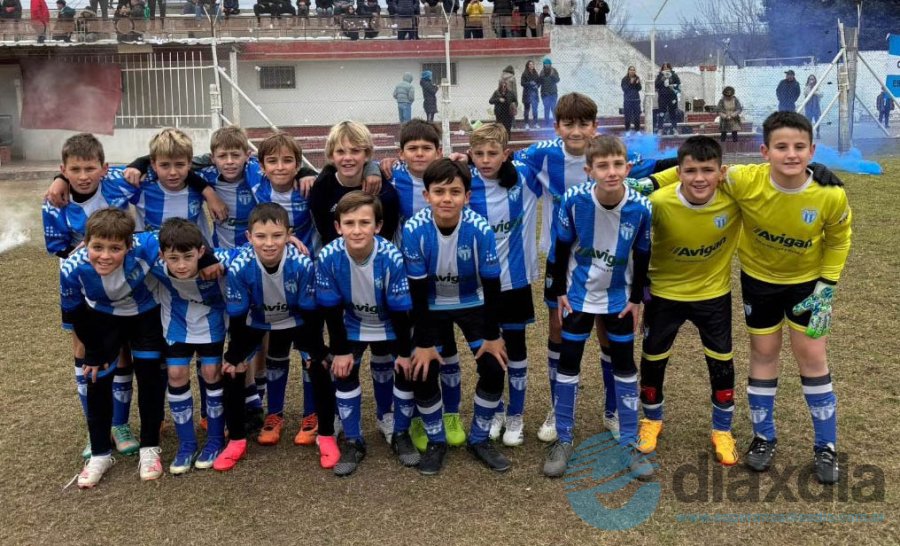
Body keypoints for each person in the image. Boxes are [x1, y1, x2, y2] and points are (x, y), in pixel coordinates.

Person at [645, 111, 851, 485]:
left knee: (812, 356)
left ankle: (826, 446)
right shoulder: (743, 180)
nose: (791, 154)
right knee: (764, 353)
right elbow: (697, 172)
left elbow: (839, 240)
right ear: (764, 152)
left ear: (812, 151)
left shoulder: (830, 194)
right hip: (759, 283)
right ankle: (763, 438)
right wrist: (648, 181)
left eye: (800, 147)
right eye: (781, 147)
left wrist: (827, 287)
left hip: (808, 286)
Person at [61, 209, 217, 487]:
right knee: (97, 378)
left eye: (115, 248)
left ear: (129, 245)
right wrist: (94, 352)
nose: (105, 256)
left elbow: (184, 235)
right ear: (85, 243)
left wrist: (208, 259)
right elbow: (74, 313)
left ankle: (149, 448)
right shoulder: (71, 268)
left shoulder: (146, 244)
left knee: (150, 379)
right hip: (103, 317)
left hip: (145, 315)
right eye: (97, 247)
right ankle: (99, 454)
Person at [542, 135, 652, 479]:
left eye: (617, 164)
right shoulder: (574, 201)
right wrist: (559, 291)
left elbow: (643, 254)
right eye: (602, 166)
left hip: (618, 298)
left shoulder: (640, 207)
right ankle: (563, 439)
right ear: (589, 171)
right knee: (568, 363)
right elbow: (560, 249)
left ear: (627, 167)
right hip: (577, 296)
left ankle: (630, 442)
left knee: (625, 366)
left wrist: (637, 299)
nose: (611, 172)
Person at [634, 136, 741, 470]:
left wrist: (815, 169)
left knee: (721, 362)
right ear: (678, 172)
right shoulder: (658, 202)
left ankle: (722, 430)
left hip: (713, 294)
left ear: (721, 172)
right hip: (664, 294)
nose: (699, 178)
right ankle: (651, 420)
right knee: (653, 358)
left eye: (708, 170)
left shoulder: (735, 199)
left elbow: (774, 179)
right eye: (691, 170)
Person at [401, 158, 510, 475]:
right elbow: (417, 293)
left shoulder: (479, 229)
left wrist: (492, 336)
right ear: (427, 196)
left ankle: (479, 439)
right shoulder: (414, 229)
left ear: (467, 196)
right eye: (439, 192)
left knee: (494, 366)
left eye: (455, 191)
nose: (446, 198)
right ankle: (436, 441)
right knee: (423, 369)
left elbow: (492, 286)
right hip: (430, 305)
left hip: (471, 301)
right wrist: (423, 343)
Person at [42, 134, 137, 461]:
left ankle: (120, 425)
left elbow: (150, 168)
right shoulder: (54, 202)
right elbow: (58, 248)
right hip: (81, 283)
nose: (83, 176)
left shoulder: (116, 183)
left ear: (104, 168)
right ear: (63, 170)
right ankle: (95, 425)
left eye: (90, 168)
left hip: (122, 281)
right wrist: (88, 254)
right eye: (75, 170)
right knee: (83, 348)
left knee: (121, 349)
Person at [317, 191, 416, 475]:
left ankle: (399, 432)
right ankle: (354, 440)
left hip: (390, 323)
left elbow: (400, 312)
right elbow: (331, 310)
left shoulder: (391, 257)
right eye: (349, 223)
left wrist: (405, 353)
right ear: (338, 227)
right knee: (343, 371)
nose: (357, 230)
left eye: (364, 222)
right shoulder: (328, 257)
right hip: (352, 323)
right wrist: (340, 350)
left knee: (403, 370)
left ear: (378, 226)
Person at [466, 123, 542, 446]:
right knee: (487, 351)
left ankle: (516, 415)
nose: (486, 160)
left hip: (515, 281)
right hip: (479, 286)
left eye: (492, 153)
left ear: (506, 154)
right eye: (479, 153)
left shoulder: (524, 177)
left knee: (517, 348)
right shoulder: (462, 182)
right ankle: (495, 408)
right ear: (470, 154)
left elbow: (563, 159)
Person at [152, 218, 232, 474]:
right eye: (173, 258)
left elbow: (250, 252)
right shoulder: (154, 261)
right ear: (162, 255)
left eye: (188, 257)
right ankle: (186, 444)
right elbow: (128, 240)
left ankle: (215, 440)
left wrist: (289, 239)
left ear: (201, 251)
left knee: (211, 373)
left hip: (212, 324)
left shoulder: (219, 260)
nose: (181, 265)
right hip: (176, 325)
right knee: (176, 374)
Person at [309, 121, 400, 246]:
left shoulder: (384, 191)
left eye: (355, 151)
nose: (347, 157)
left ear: (367, 154)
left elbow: (387, 233)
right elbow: (324, 232)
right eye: (340, 151)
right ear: (331, 156)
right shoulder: (321, 188)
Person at [655, 63, 680, 135]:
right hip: (662, 97)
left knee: (673, 113)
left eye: (667, 67)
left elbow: (678, 85)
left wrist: (673, 86)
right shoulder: (660, 76)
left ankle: (674, 129)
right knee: (661, 113)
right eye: (664, 68)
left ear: (670, 68)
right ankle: (660, 129)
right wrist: (662, 79)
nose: (666, 69)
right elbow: (656, 85)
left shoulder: (674, 75)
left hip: (672, 97)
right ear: (662, 69)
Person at [538, 57, 560, 128]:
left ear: (550, 64)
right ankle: (547, 124)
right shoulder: (542, 72)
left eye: (548, 64)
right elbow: (539, 82)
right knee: (546, 108)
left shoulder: (554, 71)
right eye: (545, 64)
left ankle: (555, 123)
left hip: (553, 93)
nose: (547, 65)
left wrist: (552, 75)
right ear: (543, 65)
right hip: (545, 94)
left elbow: (557, 80)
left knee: (553, 108)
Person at [621, 65, 642, 133]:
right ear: (628, 71)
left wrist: (638, 84)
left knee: (637, 117)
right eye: (631, 70)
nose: (632, 71)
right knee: (627, 117)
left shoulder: (637, 78)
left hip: (636, 100)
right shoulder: (624, 79)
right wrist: (630, 83)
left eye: (633, 70)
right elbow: (624, 89)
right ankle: (627, 131)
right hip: (628, 100)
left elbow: (639, 88)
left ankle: (637, 130)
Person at [520, 60, 540, 130]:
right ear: (527, 66)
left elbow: (539, 82)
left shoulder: (536, 73)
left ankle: (535, 123)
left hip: (534, 94)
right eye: (530, 64)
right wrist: (529, 83)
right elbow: (522, 83)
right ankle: (526, 124)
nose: (531, 66)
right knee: (527, 110)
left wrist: (537, 86)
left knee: (535, 110)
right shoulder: (524, 73)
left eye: (532, 64)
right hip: (527, 94)